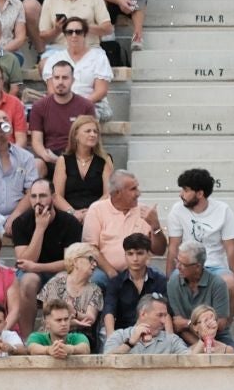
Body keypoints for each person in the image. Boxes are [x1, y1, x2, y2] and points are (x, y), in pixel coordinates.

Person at [8, 178, 83, 333]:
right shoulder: (20, 223)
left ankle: (53, 336)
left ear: (53, 198)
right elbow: (25, 261)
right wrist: (40, 229)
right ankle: (27, 338)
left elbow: (70, 263)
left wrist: (37, 266)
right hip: (31, 273)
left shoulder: (70, 223)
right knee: (28, 281)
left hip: (60, 272)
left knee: (59, 280)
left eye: (42, 196)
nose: (38, 201)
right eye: (33, 196)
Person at [85, 171, 163, 282]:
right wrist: (110, 271)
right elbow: (91, 248)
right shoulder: (97, 209)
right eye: (133, 189)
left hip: (139, 270)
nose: (138, 193)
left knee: (159, 277)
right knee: (95, 279)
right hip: (104, 270)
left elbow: (159, 251)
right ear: (117, 193)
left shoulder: (145, 211)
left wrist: (156, 227)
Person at [26, 59, 96, 168]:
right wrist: (46, 156)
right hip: (49, 156)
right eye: (56, 77)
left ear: (73, 80)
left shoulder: (86, 106)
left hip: (77, 157)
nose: (60, 82)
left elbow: (90, 139)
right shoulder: (39, 106)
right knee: (36, 165)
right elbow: (36, 141)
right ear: (51, 80)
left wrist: (67, 161)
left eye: (65, 78)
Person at [165, 241, 234, 349]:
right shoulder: (173, 283)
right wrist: (202, 345)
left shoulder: (217, 284)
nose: (178, 267)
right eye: (177, 261)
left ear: (197, 267)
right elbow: (177, 325)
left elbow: (220, 324)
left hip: (217, 337)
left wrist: (189, 323)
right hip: (185, 338)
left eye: (183, 264)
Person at [40, 22, 113, 119]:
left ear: (85, 34)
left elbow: (101, 91)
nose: (74, 35)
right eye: (70, 32)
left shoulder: (99, 57)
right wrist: (67, 105)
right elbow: (52, 91)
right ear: (65, 35)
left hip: (94, 104)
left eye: (78, 32)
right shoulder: (54, 58)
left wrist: (78, 105)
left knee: (80, 116)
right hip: (62, 103)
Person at [53, 114, 111, 214]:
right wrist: (73, 213)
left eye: (95, 131)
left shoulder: (105, 160)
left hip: (97, 213)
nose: (93, 134)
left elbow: (108, 194)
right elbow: (57, 196)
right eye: (88, 131)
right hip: (69, 214)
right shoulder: (63, 160)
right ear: (75, 135)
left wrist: (91, 212)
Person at [104, 292, 189, 354]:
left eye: (165, 316)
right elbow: (105, 362)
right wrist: (130, 343)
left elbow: (189, 361)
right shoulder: (119, 335)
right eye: (159, 315)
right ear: (143, 314)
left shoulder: (172, 341)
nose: (164, 321)